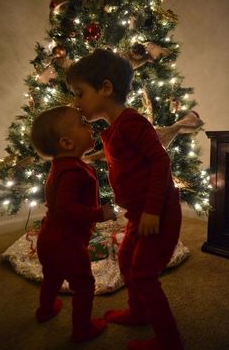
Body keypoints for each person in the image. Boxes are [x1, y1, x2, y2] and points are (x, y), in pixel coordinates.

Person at [66, 49, 185, 350]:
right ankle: (139, 312)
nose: (76, 102)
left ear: (105, 88)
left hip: (158, 213)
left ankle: (170, 341)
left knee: (144, 273)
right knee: (126, 260)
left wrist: (153, 211)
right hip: (138, 213)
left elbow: (161, 162)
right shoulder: (114, 128)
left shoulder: (132, 123)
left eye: (80, 93)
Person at [30, 105, 116, 342]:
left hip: (50, 239)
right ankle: (82, 330)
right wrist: (100, 214)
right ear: (67, 143)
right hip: (66, 244)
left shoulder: (62, 166)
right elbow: (67, 208)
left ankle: (45, 310)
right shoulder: (73, 172)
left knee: (52, 277)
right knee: (85, 285)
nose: (89, 126)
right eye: (82, 124)